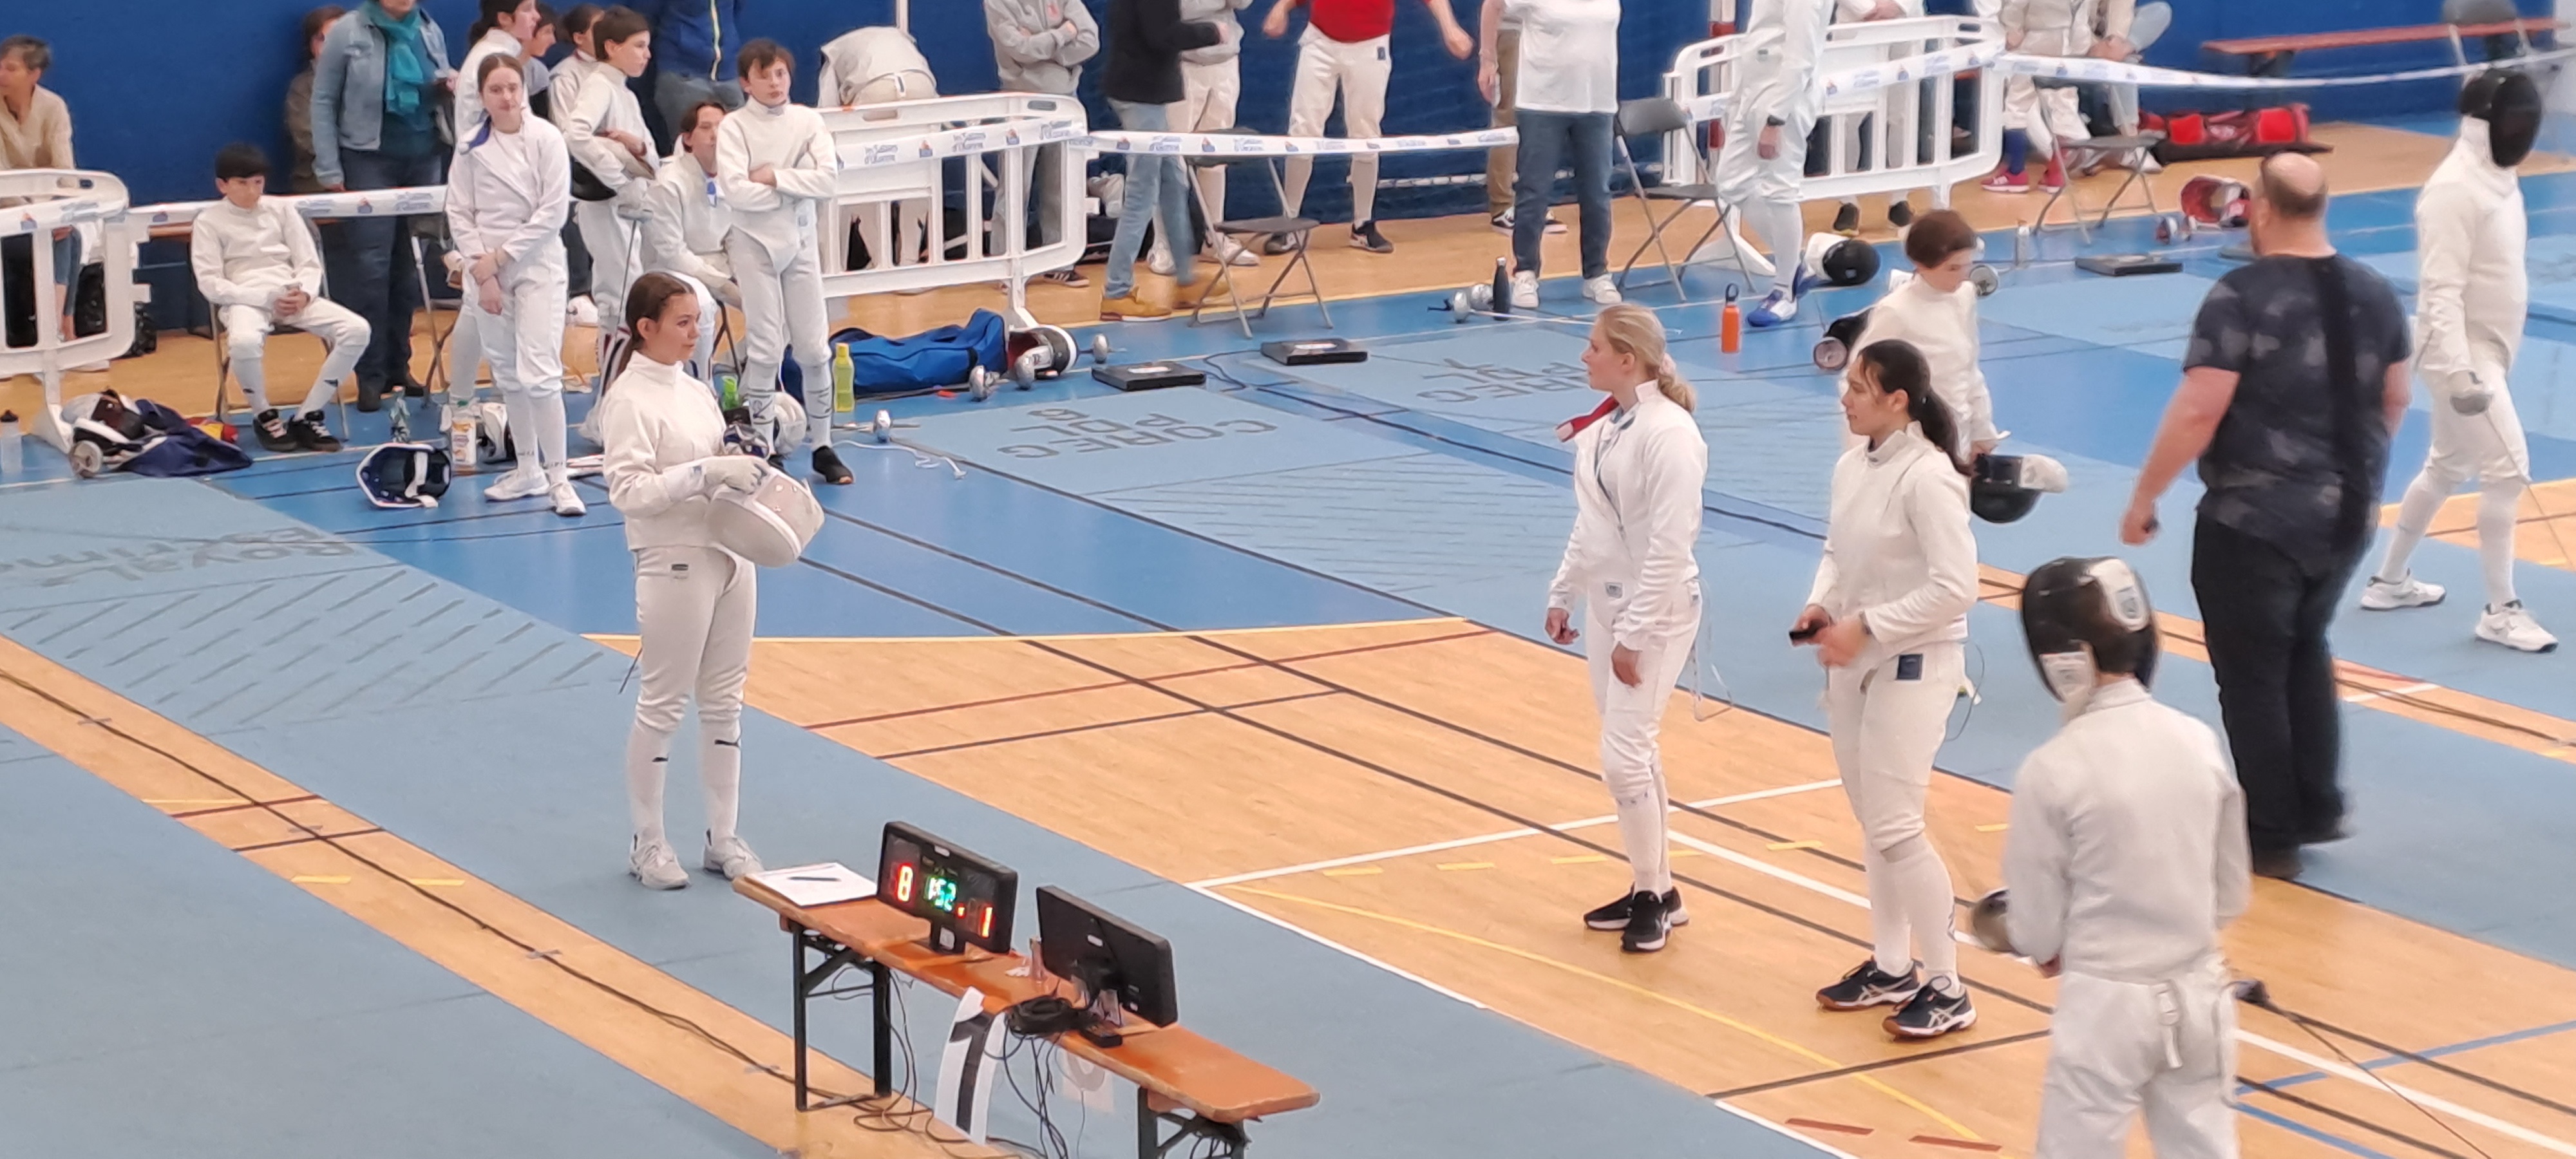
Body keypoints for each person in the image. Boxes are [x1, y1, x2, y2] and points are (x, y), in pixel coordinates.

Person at [2121, 154, 2410, 880]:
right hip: (2347, 516)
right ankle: (2318, 802)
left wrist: (2146, 496)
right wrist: (2355, 475)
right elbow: (2396, 398)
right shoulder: (2376, 292)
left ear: (2261, 209)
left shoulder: (2240, 295)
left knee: (2250, 672)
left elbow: (2200, 407)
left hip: (2255, 518)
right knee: (2306, 646)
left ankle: (2271, 827)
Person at [2005, 554, 2248, 1159]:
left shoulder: (2052, 768)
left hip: (2106, 1008)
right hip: (2201, 995)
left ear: (2058, 659)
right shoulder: (2197, 739)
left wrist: (2055, 942)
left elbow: (2036, 932)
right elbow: (2230, 895)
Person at [1794, 338, 1978, 1039]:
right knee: (1876, 822)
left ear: (1897, 401)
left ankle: (1948, 986)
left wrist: (1868, 625)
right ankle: (1893, 966)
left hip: (1916, 662)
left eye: (1859, 388)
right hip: (1854, 662)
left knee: (1897, 826)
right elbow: (1837, 553)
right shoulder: (1852, 466)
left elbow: (1956, 588)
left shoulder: (1929, 478)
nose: (1844, 398)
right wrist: (1821, 605)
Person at [2362, 71, 2555, 654]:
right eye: (2512, 121)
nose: (2520, 131)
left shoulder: (2498, 178)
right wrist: (2459, 370)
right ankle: (2501, 610)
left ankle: (2388, 581)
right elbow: (2439, 289)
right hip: (2463, 354)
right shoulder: (2452, 189)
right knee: (2508, 470)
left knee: (2448, 465)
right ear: (2482, 125)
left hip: (2491, 347)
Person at [597, 271, 770, 890]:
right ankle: (649, 843)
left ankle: (724, 837)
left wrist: (743, 459)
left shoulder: (695, 391)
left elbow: (720, 462)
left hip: (731, 554)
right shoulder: (628, 400)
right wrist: (705, 471)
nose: (696, 333)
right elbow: (629, 492)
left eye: (698, 321)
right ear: (647, 328)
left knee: (725, 702)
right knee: (664, 703)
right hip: (673, 559)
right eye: (683, 322)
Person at [1546, 303, 1707, 955]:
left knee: (1622, 756)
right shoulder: (1605, 428)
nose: (1583, 357)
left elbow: (1671, 544)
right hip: (1606, 605)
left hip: (1659, 610)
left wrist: (1636, 634)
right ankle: (1658, 889)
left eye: (1593, 347)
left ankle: (1652, 895)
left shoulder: (1671, 435)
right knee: (1634, 750)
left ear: (1627, 358)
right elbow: (1591, 524)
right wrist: (1564, 592)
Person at [449, 53, 583, 517]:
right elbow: (459, 213)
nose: (506, 97)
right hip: (485, 273)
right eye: (496, 90)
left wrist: (501, 257)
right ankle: (528, 470)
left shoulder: (547, 138)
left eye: (513, 88)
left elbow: (553, 212)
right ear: (482, 96)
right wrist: (483, 271)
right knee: (508, 374)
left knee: (540, 375)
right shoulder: (469, 146)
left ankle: (559, 478)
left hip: (537, 264)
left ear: (523, 90)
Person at [716, 39, 848, 485]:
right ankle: (764, 448)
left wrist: (774, 176)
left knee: (813, 348)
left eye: (781, 74)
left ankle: (824, 447)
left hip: (801, 244)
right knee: (766, 347)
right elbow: (737, 192)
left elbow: (828, 181)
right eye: (764, 75)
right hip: (753, 245)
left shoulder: (808, 121)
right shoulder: (734, 127)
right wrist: (795, 188)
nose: (775, 83)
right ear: (745, 82)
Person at [312, 0, 454, 406]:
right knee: (372, 268)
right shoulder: (348, 31)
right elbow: (323, 100)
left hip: (423, 158)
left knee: (410, 268)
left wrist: (447, 86)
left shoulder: (429, 29)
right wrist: (329, 167)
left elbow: (440, 86)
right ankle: (370, 374)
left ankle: (399, 366)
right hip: (367, 159)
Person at [194, 143, 370, 455]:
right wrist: (261, 297)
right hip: (244, 301)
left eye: (258, 182)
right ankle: (264, 415)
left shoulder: (282, 210)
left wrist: (305, 293)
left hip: (292, 295)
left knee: (357, 330)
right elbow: (210, 283)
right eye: (242, 183)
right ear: (222, 185)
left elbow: (308, 262)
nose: (252, 191)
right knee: (243, 343)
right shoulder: (208, 221)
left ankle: (308, 415)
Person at [1262, 0, 1475, 255]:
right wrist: (1281, 8)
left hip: (1371, 45)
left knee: (1366, 135)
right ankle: (1289, 222)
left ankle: (1362, 225)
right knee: (1302, 132)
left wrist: (1450, 27)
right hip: (1320, 40)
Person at [1480, 0, 1622, 310]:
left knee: (1597, 193)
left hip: (1598, 106)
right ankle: (1526, 273)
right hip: (1542, 105)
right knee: (1534, 191)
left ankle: (1597, 274)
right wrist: (1488, 61)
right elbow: (1493, 6)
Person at [1097, 0, 1222, 320]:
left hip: (1147, 92)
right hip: (1141, 94)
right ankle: (1116, 291)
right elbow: (1162, 35)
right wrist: (1211, 32)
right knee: (1142, 192)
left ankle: (1186, 280)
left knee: (1173, 183)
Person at [1712, 0, 1831, 327]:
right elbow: (1759, 40)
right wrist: (1736, 102)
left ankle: (1785, 291)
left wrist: (1776, 119)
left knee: (1781, 191)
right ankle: (1795, 267)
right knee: (1731, 182)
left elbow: (1801, 57)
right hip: (1753, 94)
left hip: (1783, 99)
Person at [1843, 210, 1997, 457]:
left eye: (1966, 266)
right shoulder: (1896, 310)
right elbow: (1856, 377)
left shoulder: (1964, 296)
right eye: (1952, 268)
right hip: (1915, 443)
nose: (1962, 276)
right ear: (1922, 265)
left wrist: (1982, 431)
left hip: (1960, 435)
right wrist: (1863, 452)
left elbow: (1969, 369)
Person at [985, 0, 1101, 286]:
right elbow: (1019, 50)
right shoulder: (997, 3)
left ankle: (1059, 262)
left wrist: (1046, 50)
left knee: (1061, 185)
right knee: (1015, 188)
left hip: (1065, 102)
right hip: (1020, 104)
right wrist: (1063, 34)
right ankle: (1006, 265)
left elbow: (1090, 40)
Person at [566, 6, 658, 360]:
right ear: (611, 47)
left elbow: (650, 158)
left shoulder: (625, 93)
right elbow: (575, 134)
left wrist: (637, 148)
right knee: (619, 296)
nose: (646, 55)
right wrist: (617, 178)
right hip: (604, 205)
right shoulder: (599, 85)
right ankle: (612, 380)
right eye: (639, 46)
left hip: (627, 205)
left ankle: (621, 377)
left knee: (629, 292)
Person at [1150, 0, 1265, 279]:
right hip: (1181, 64)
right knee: (1171, 160)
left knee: (1217, 158)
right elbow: (1177, 9)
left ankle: (1215, 239)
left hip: (1225, 62)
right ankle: (1163, 245)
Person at [1, 35, 83, 352]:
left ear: (34, 74)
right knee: (62, 238)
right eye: (0, 67)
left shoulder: (54, 107)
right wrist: (38, 218)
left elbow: (66, 172)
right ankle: (59, 333)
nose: (2, 75)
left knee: (69, 234)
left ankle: (57, 331)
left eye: (11, 69)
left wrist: (60, 213)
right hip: (7, 212)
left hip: (43, 213)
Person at [644, 99, 737, 375]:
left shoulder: (734, 176)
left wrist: (745, 273)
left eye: (721, 127)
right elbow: (672, 253)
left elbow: (735, 235)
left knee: (777, 297)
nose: (715, 135)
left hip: (717, 264)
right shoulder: (668, 183)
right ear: (687, 139)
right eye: (706, 128)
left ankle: (745, 368)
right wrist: (723, 284)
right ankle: (700, 381)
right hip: (671, 271)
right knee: (701, 305)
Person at [1981, 0, 2091, 194]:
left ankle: (2015, 172)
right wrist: (2080, 47)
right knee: (2064, 104)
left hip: (2033, 38)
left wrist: (2012, 28)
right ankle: (2056, 174)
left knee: (2017, 102)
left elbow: (2017, 4)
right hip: (2065, 39)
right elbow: (2082, 12)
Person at [1481, 6, 1565, 236]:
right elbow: (1492, 5)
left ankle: (1532, 205)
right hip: (1514, 31)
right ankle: (1503, 207)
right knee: (1508, 118)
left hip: (1548, 31)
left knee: (1540, 119)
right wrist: (1487, 59)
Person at [635, 0, 746, 141]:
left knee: (739, 143)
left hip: (728, 72)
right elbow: (645, 17)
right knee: (691, 145)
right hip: (682, 73)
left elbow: (736, 9)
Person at [286, 8, 350, 194]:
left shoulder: (371, 81)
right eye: (322, 39)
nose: (330, 46)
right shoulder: (302, 88)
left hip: (369, 174)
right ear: (311, 45)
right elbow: (308, 138)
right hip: (317, 182)